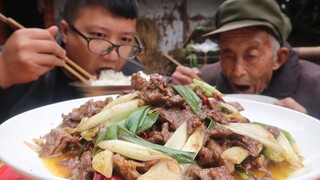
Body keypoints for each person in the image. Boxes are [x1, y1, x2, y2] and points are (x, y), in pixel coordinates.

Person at [171, 0, 320, 119]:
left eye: (251, 56)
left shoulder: (315, 85)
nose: (237, 72)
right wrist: (178, 90)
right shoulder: (207, 78)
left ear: (278, 58)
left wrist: (307, 124)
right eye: (228, 55)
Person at [0, 0, 143, 123]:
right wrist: (4, 72)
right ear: (66, 31)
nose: (112, 56)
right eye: (99, 35)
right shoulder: (22, 66)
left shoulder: (135, 79)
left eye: (125, 39)